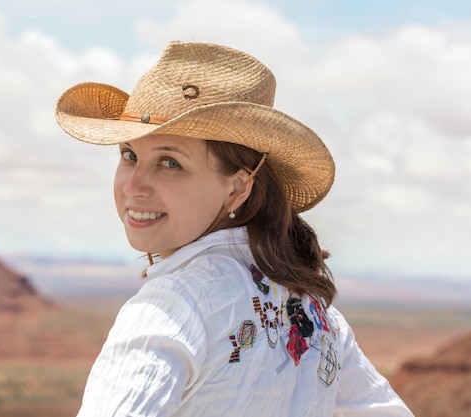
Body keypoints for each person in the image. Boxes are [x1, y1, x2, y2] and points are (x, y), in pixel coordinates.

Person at [55, 41, 413, 417]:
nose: (133, 186)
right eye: (130, 155)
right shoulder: (313, 312)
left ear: (239, 187)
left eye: (170, 163)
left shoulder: (172, 305)